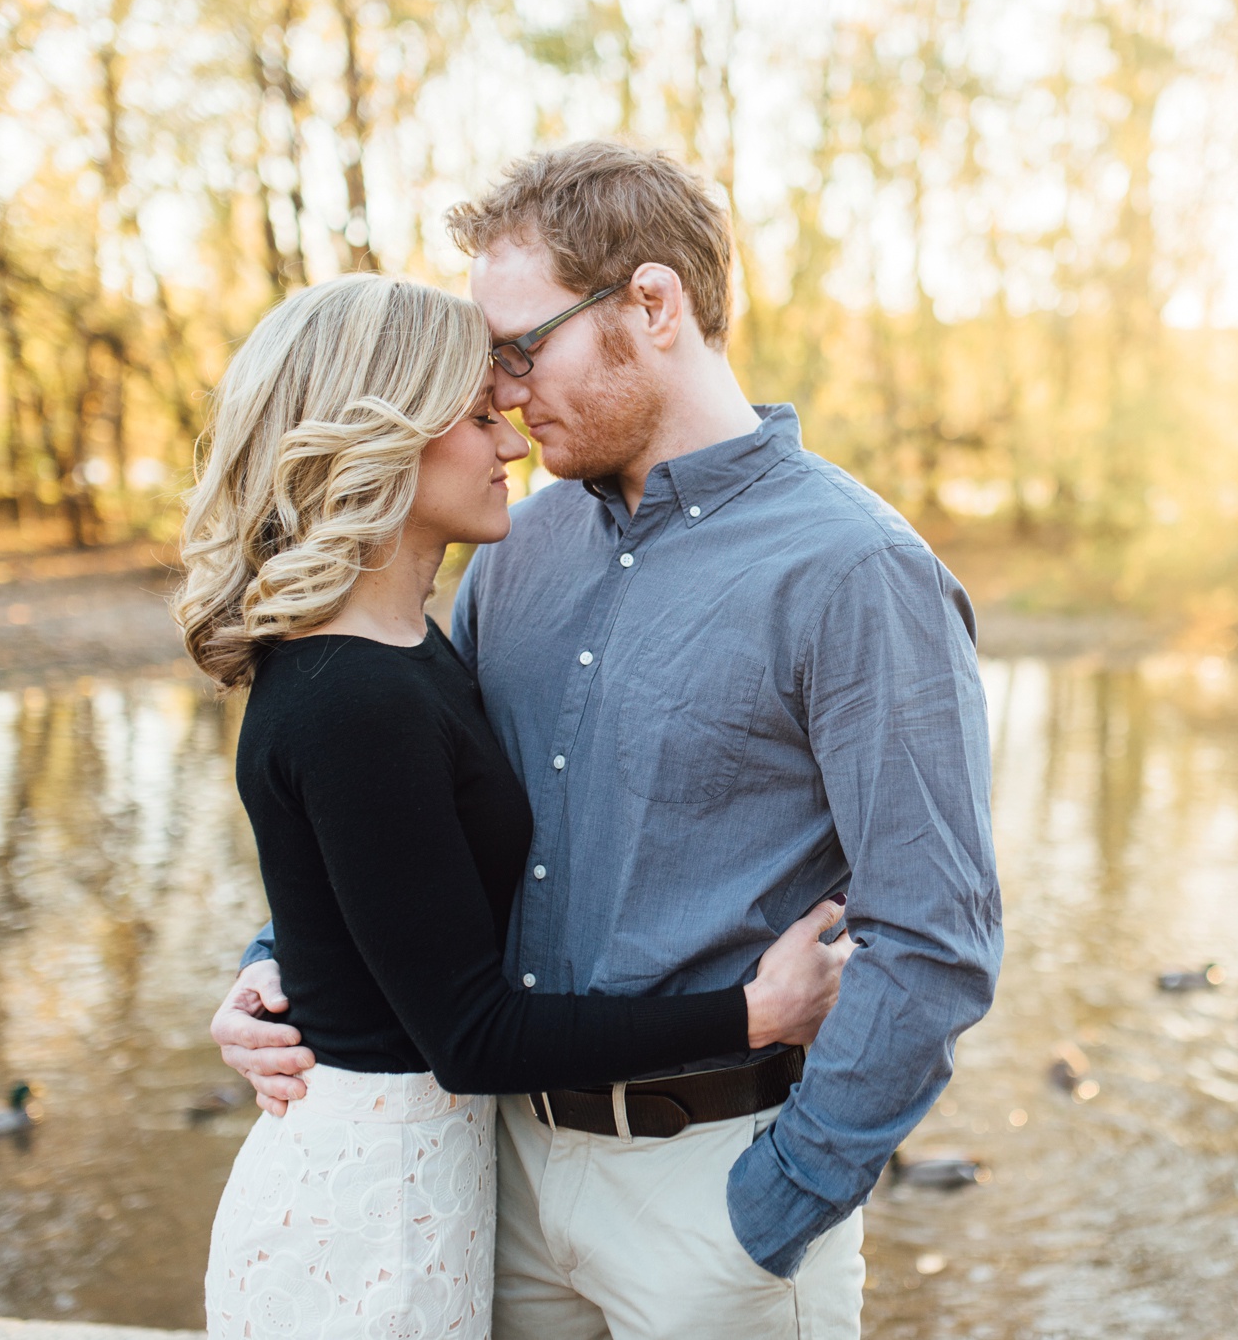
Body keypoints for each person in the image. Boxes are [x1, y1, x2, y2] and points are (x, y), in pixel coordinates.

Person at [211, 141, 1003, 1339]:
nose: (508, 390)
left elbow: (936, 936)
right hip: (493, 1175)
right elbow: (404, 810)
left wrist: (775, 1205)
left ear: (651, 303)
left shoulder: (855, 571)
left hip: (713, 1198)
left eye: (524, 347)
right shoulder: (514, 552)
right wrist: (276, 964)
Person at [173, 271, 852, 1340]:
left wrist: (281, 959)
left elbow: (400, 877)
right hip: (369, 1215)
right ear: (383, 439)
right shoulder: (354, 692)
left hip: (438, 1177)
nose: (512, 443)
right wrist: (750, 1014)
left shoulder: (410, 648)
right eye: (481, 416)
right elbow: (473, 1034)